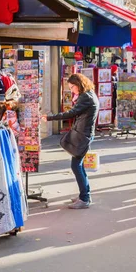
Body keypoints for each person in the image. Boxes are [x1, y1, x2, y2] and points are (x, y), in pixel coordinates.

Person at [42, 73, 99, 209]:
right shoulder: (89, 94)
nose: (72, 90)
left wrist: (50, 118)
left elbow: (71, 113)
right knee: (79, 165)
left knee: (76, 166)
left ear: (78, 85)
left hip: (83, 134)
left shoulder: (86, 97)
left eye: (72, 87)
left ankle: (85, 198)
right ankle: (84, 195)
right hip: (84, 133)